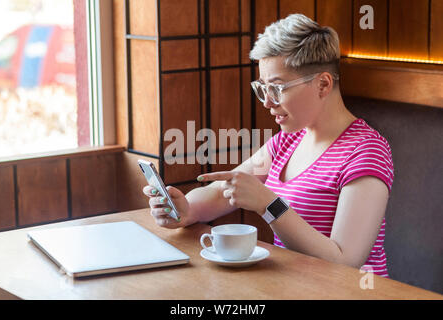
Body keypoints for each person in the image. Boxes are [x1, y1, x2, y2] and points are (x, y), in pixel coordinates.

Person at [143, 14, 394, 277]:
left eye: (277, 88)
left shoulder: (366, 152)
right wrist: (183, 210)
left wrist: (268, 204)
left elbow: (345, 261)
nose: (267, 102)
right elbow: (221, 191)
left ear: (322, 84)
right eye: (262, 88)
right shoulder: (287, 141)